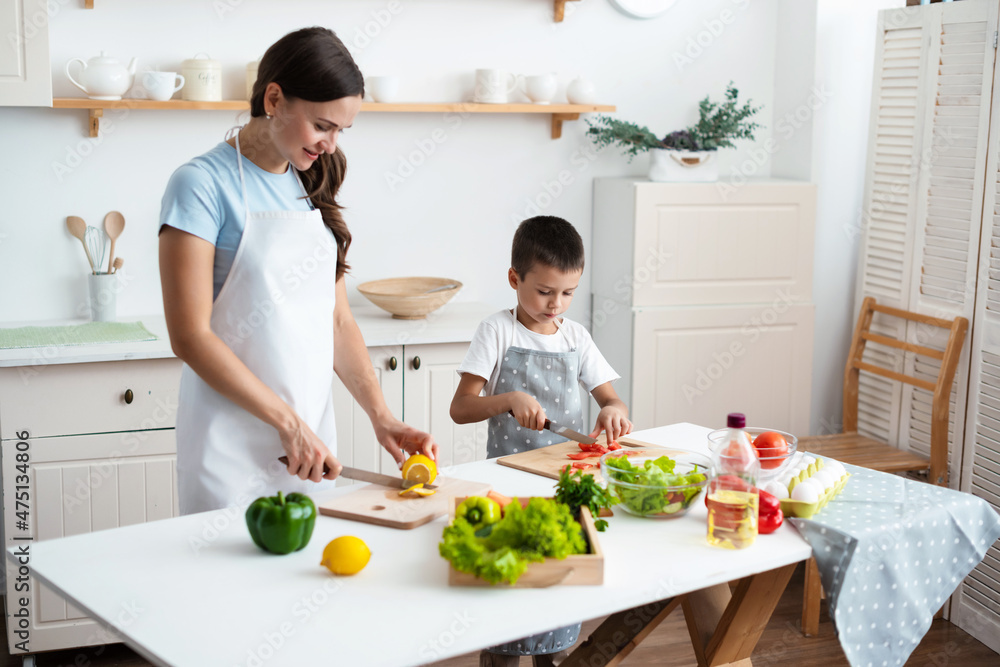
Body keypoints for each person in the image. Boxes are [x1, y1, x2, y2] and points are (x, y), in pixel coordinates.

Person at [159, 27, 436, 515]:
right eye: (322, 126)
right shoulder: (199, 185)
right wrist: (286, 423)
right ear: (274, 98)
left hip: (309, 447)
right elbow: (190, 336)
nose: (330, 145)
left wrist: (382, 417)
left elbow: (337, 321)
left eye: (341, 131)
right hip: (228, 444)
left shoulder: (310, 184)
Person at [450, 215, 632, 660]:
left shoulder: (577, 337)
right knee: (509, 600)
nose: (556, 305)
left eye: (568, 293)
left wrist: (612, 410)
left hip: (562, 488)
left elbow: (614, 401)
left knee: (555, 595)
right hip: (509, 487)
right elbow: (460, 409)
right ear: (514, 278)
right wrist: (507, 398)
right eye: (544, 291)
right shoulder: (497, 331)